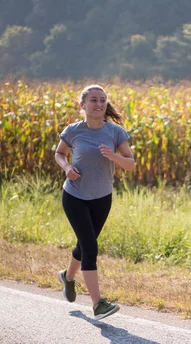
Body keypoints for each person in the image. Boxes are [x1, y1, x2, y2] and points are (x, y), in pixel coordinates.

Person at [54, 84, 135, 320]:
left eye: (102, 100)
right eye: (93, 100)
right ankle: (98, 304)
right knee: (90, 248)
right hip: (75, 196)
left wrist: (114, 156)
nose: (98, 104)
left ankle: (67, 277)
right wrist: (67, 167)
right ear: (83, 105)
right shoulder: (73, 131)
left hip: (102, 198)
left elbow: (131, 164)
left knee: (84, 244)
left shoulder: (115, 132)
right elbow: (59, 153)